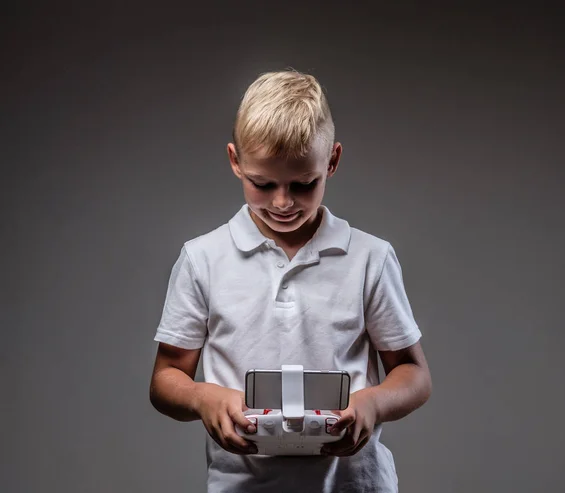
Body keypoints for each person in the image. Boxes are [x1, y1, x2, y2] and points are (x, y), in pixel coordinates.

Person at [149, 69, 432, 493]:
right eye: (262, 184)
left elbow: (413, 373)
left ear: (332, 161)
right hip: (241, 485)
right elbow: (167, 376)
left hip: (355, 484)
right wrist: (203, 398)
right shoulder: (203, 259)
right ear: (235, 161)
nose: (283, 202)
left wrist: (371, 404)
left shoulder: (370, 258)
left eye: (304, 184)